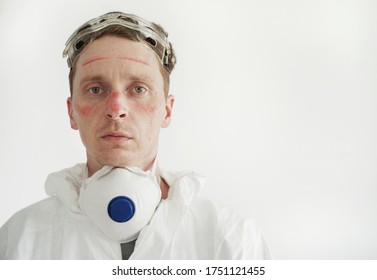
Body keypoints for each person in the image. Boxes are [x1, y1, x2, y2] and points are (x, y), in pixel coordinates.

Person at [0, 11, 271, 260]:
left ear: (167, 110)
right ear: (72, 112)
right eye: (96, 89)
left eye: (138, 89)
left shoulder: (229, 238)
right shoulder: (20, 240)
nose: (116, 109)